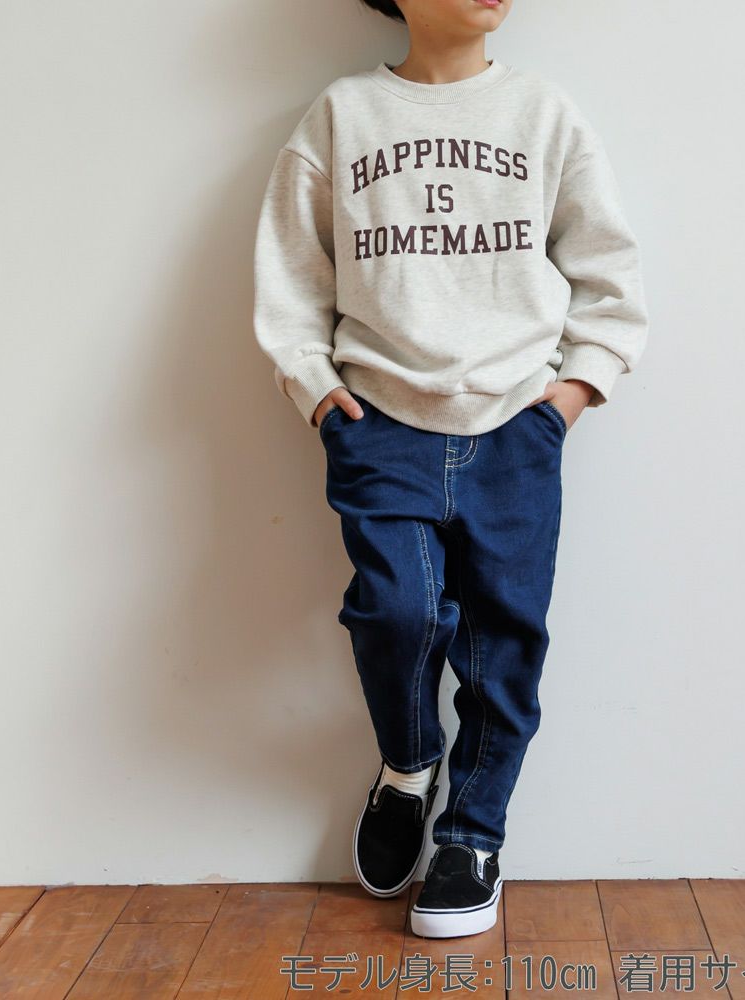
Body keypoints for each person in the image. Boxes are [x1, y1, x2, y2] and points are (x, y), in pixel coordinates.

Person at [252, 0, 649, 938]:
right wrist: (315, 387)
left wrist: (572, 393)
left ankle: (471, 836)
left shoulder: (544, 114)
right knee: (395, 613)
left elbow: (608, 270)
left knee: (504, 644)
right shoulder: (343, 115)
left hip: (516, 424)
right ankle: (409, 763)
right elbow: (292, 269)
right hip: (380, 420)